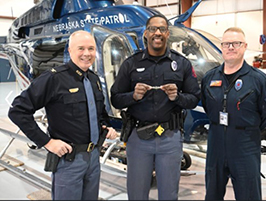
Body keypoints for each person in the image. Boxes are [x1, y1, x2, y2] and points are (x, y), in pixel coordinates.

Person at [8, 30, 117, 200]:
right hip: (69, 160)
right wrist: (47, 142)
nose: (87, 54)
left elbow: (99, 112)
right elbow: (17, 111)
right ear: (70, 50)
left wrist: (105, 126)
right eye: (81, 48)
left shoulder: (94, 79)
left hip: (94, 157)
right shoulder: (54, 79)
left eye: (91, 48)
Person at [110, 14, 201, 200]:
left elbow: (194, 99)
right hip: (138, 139)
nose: (157, 33)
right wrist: (133, 96)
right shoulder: (131, 64)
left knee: (169, 194)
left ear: (168, 34)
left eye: (162, 29)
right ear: (146, 33)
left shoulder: (181, 63)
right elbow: (116, 99)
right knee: (136, 193)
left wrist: (177, 97)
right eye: (153, 29)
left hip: (170, 138)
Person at [200, 27, 266, 200]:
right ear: (221, 47)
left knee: (248, 195)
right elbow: (207, 106)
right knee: (212, 194)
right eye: (227, 43)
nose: (231, 47)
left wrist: (245, 125)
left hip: (245, 145)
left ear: (244, 46)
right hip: (216, 144)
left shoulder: (259, 80)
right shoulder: (209, 78)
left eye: (236, 43)